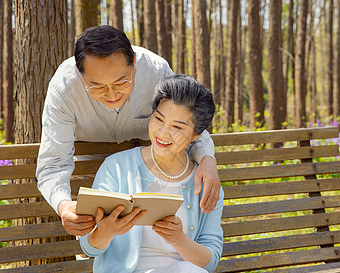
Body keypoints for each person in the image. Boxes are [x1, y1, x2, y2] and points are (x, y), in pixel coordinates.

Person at [36, 26, 221, 236]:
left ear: (134, 62)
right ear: (80, 74)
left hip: (150, 171)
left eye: (121, 82)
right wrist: (63, 205)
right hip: (89, 174)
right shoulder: (64, 87)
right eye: (97, 87)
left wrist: (207, 159)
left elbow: (187, 122)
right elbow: (53, 163)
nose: (112, 94)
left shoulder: (157, 71)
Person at [79, 75, 223, 273]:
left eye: (177, 127)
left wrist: (179, 239)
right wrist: (105, 231)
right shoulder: (117, 167)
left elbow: (209, 263)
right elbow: (88, 246)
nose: (163, 133)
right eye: (159, 119)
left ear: (196, 135)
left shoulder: (205, 184)